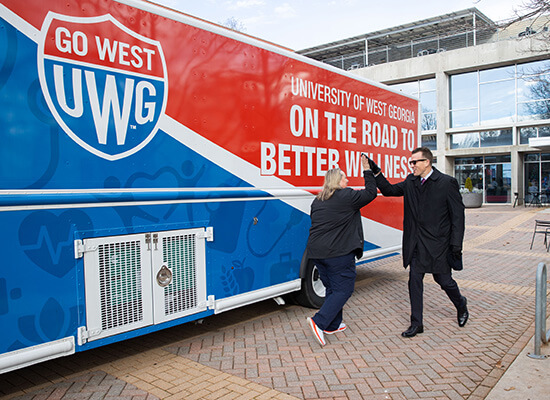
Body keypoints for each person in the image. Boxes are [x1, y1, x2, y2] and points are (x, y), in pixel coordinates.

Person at [368, 147, 468, 338]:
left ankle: (460, 303)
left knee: (444, 280)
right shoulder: (410, 181)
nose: (411, 165)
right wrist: (376, 172)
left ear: (427, 162)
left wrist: (456, 244)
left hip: (438, 245)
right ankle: (417, 323)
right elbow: (389, 190)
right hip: (416, 243)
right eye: (410, 162)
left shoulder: (447, 183)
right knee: (414, 281)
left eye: (415, 162)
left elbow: (458, 217)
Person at [306, 155, 377, 346]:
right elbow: (371, 193)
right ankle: (319, 321)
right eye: (344, 178)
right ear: (337, 181)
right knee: (344, 289)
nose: (347, 181)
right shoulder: (346, 196)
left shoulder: (318, 200)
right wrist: (367, 170)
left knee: (332, 288)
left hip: (316, 253)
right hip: (337, 253)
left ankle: (332, 324)